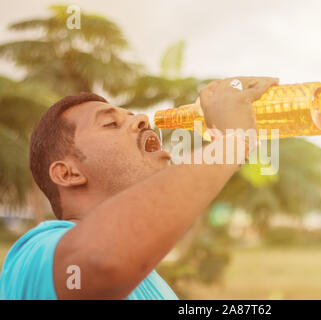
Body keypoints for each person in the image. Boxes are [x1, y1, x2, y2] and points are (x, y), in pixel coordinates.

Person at [0, 76, 278, 299]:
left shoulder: (149, 282)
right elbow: (101, 262)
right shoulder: (35, 254)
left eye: (133, 116)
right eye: (110, 123)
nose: (143, 120)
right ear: (67, 173)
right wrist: (230, 145)